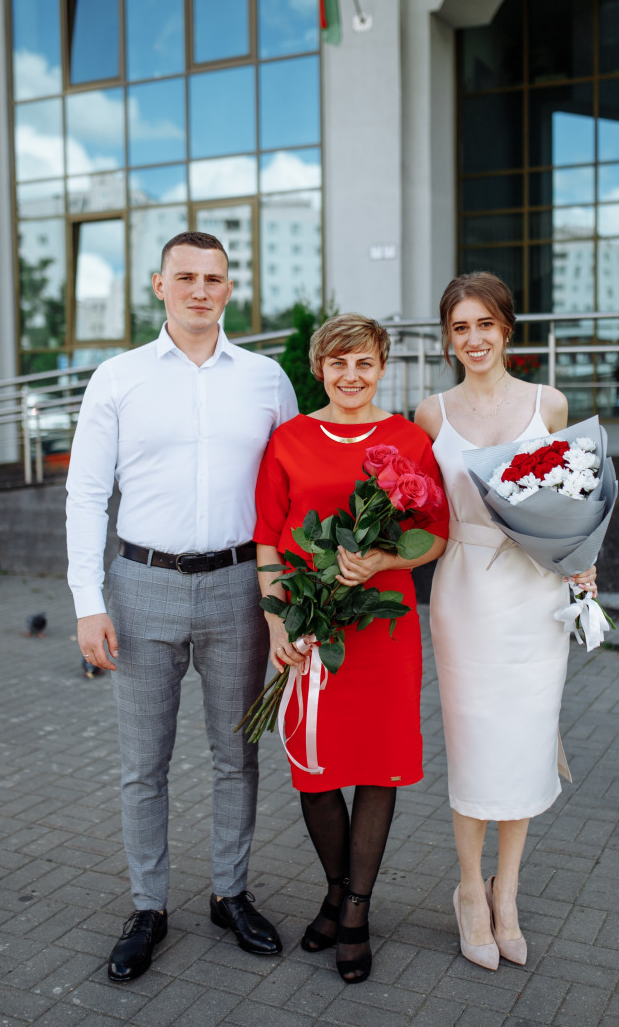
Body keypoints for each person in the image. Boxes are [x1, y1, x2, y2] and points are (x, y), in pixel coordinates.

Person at [66, 231, 298, 982]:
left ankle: (229, 893)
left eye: (216, 278)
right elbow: (86, 493)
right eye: (186, 277)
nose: (202, 289)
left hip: (239, 588)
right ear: (158, 285)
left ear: (230, 288)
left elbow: (291, 493)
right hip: (141, 587)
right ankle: (148, 905)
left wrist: (296, 592)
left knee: (238, 756)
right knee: (144, 765)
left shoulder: (266, 380)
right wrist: (85, 600)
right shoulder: (118, 377)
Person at [253, 314, 448, 984]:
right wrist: (279, 623)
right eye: (337, 363)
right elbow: (269, 539)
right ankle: (335, 887)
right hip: (309, 629)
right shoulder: (288, 440)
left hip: (382, 630)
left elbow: (435, 533)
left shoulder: (406, 439)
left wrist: (381, 561)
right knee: (313, 769)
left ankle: (355, 910)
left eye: (363, 362)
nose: (350, 375)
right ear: (318, 368)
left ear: (382, 366)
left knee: (376, 765)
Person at [415, 272, 597, 971]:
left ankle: (507, 892)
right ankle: (467, 890)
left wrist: (581, 561)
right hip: (462, 593)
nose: (473, 339)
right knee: (472, 744)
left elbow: (575, 502)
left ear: (506, 328)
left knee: (523, 742)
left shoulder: (547, 404)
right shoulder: (429, 414)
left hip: (534, 595)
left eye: (483, 324)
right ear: (447, 338)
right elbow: (422, 514)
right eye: (459, 327)